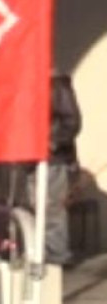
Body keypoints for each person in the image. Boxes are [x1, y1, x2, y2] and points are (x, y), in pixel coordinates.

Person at [51, 73, 83, 266]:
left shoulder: (55, 85)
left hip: (52, 159)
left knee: (51, 210)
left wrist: (52, 143)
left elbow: (71, 121)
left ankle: (55, 261)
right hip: (29, 159)